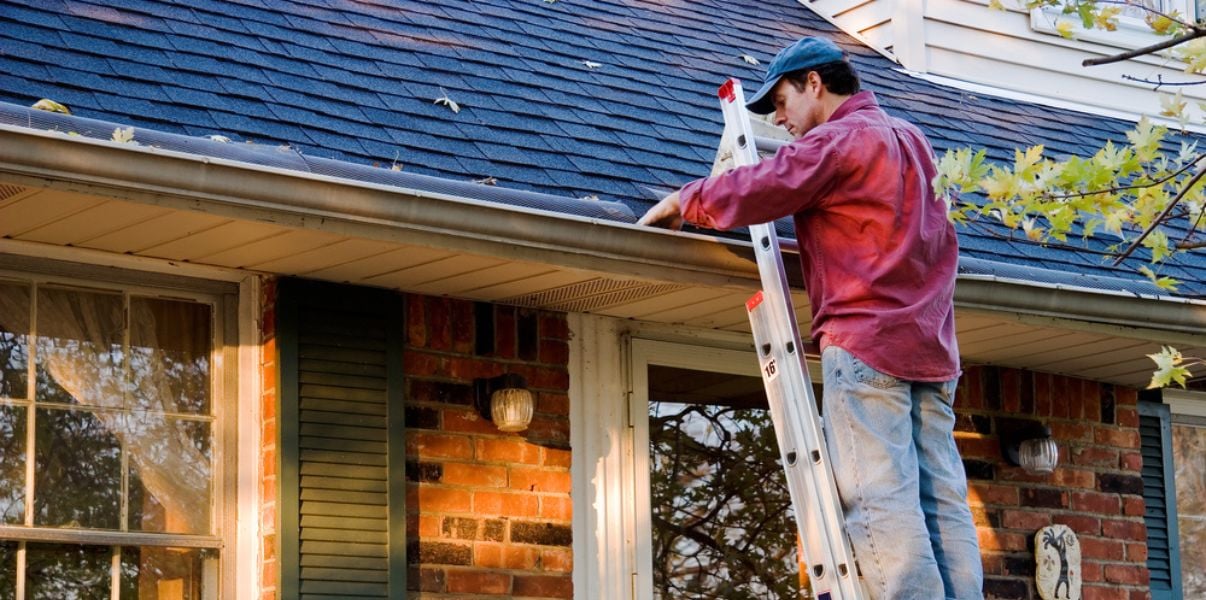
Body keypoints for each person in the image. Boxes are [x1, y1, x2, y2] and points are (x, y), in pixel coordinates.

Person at [638, 36, 984, 599]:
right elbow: (941, 242)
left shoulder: (841, 139)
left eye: (781, 103)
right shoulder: (914, 142)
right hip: (931, 351)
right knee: (941, 498)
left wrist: (686, 200)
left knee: (881, 499)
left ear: (815, 85)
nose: (780, 120)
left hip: (868, 345)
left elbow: (767, 185)